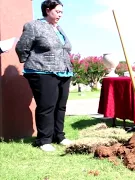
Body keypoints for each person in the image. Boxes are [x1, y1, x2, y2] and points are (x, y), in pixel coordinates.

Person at [15, 0, 73, 152]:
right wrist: (30, 62)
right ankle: (44, 140)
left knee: (60, 106)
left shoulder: (59, 28)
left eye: (62, 12)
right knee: (47, 106)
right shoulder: (34, 26)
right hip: (41, 71)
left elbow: (65, 49)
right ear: (48, 10)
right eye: (58, 11)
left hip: (64, 71)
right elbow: (22, 47)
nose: (60, 15)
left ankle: (59, 136)